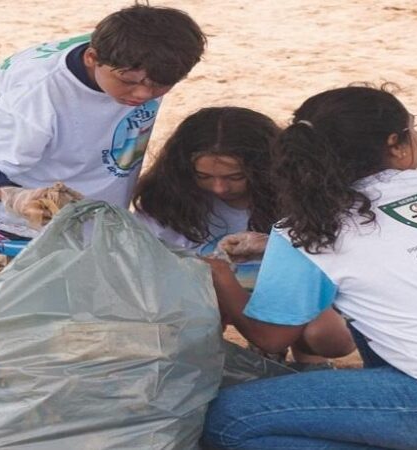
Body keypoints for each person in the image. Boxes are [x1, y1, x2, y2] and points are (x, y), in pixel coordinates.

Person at [202, 85, 417, 449]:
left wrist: (219, 276)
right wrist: (274, 248)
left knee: (228, 420)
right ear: (395, 144)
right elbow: (396, 253)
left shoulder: (306, 230)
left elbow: (271, 338)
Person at [0, 4, 206, 257]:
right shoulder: (38, 95)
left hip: (95, 179)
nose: (144, 94)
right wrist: (15, 196)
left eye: (162, 85)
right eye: (129, 82)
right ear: (91, 58)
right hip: (28, 204)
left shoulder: (141, 57)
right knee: (39, 275)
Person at [133, 106, 354, 371]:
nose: (219, 188)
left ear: (267, 168)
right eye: (203, 177)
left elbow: (336, 255)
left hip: (283, 296)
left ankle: (308, 361)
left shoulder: (300, 194)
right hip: (204, 298)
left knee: (326, 334)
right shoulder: (163, 202)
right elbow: (149, 267)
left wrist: (273, 246)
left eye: (235, 177)